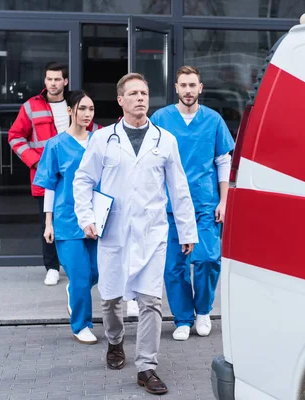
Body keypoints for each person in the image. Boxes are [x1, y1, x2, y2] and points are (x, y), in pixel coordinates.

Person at [73, 73, 197, 395]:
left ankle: (146, 367)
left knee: (151, 302)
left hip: (152, 234)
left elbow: (179, 188)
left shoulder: (165, 140)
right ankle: (115, 342)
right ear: (120, 100)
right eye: (134, 93)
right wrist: (86, 217)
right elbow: (83, 181)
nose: (141, 98)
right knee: (111, 299)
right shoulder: (103, 140)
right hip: (113, 232)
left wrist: (187, 230)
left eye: (144, 92)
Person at [150, 65, 235, 341]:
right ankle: (183, 318)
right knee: (173, 265)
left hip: (205, 203)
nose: (188, 90)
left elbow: (223, 161)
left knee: (208, 259)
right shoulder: (161, 118)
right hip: (170, 206)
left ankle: (203, 311)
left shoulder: (213, 120)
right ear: (176, 88)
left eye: (192, 85)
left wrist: (224, 201)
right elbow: (150, 163)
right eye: (183, 85)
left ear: (200, 88)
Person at [8, 62, 102, 286]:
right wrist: (37, 162)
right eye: (49, 79)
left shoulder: (75, 103)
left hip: (75, 175)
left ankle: (77, 269)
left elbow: (90, 129)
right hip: (48, 175)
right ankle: (51, 266)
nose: (52, 83)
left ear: (65, 81)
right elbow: (15, 137)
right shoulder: (31, 106)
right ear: (44, 81)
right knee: (48, 222)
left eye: (57, 79)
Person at [33, 90, 98, 344]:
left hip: (95, 220)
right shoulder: (56, 145)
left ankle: (74, 292)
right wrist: (48, 222)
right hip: (67, 220)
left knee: (97, 272)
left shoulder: (99, 142)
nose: (87, 114)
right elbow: (49, 186)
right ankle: (81, 325)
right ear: (70, 111)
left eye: (91, 109)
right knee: (81, 275)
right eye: (82, 109)